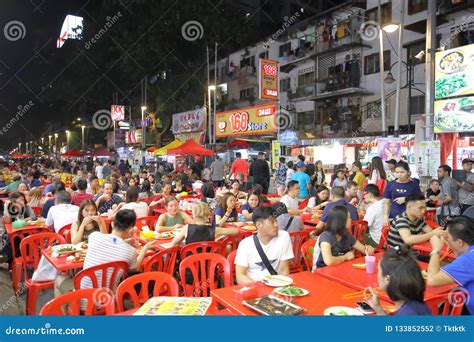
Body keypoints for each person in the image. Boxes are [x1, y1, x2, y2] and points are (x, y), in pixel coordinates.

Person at [54, 209, 157, 296]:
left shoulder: (94, 236)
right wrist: (145, 248)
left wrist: (124, 242)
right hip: (109, 298)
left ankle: (70, 314)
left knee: (58, 279)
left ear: (112, 223)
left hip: (83, 298)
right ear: (131, 228)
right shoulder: (130, 252)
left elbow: (111, 241)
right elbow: (136, 269)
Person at [365, 246, 432, 315]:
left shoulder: (408, 313)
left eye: (379, 270)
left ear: (387, 279)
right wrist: (378, 308)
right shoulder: (413, 305)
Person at [427, 216, 474, 314]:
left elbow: (432, 280)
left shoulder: (468, 259)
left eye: (448, 239)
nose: (447, 242)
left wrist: (436, 250)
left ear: (460, 242)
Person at [235, 206, 294, 284]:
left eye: (276, 221)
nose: (276, 225)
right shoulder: (245, 244)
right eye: (272, 222)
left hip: (276, 285)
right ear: (259, 225)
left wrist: (281, 287)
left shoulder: (284, 236)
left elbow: (283, 270)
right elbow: (240, 276)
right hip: (253, 286)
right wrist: (257, 289)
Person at [312, 205, 374, 270]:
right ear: (341, 221)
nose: (351, 219)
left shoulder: (346, 235)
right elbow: (329, 261)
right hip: (321, 272)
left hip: (338, 268)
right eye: (349, 217)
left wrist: (368, 249)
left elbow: (364, 250)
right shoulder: (326, 237)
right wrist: (345, 257)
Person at [171, 202, 239, 247]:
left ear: (193, 215)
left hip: (190, 265)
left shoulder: (187, 228)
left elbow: (173, 243)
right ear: (207, 216)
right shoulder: (214, 230)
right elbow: (236, 231)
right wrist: (222, 236)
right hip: (209, 264)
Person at [383, 161, 421, 226]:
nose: (399, 174)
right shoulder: (390, 184)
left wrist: (406, 199)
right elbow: (387, 202)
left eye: (402, 172)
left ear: (408, 172)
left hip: (411, 217)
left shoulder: (414, 184)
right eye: (397, 172)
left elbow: (419, 200)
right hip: (394, 216)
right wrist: (385, 216)